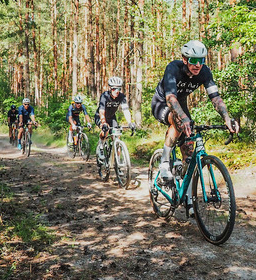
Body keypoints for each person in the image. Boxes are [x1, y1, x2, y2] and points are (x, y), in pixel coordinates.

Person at [151, 40, 239, 217]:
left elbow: (215, 98)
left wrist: (227, 118)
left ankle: (189, 200)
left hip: (181, 105)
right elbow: (171, 99)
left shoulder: (204, 72)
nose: (198, 65)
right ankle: (165, 164)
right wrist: (182, 118)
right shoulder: (173, 69)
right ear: (185, 59)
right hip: (163, 103)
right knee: (177, 122)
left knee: (189, 155)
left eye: (201, 60)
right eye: (193, 60)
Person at [94, 76, 135, 163]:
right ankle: (101, 147)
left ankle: (118, 161)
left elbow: (126, 110)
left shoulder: (121, 97)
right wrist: (103, 123)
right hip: (100, 116)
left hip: (112, 117)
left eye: (119, 88)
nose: (117, 91)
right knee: (105, 129)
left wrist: (130, 122)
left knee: (117, 136)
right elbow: (101, 111)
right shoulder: (104, 96)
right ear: (110, 88)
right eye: (114, 89)